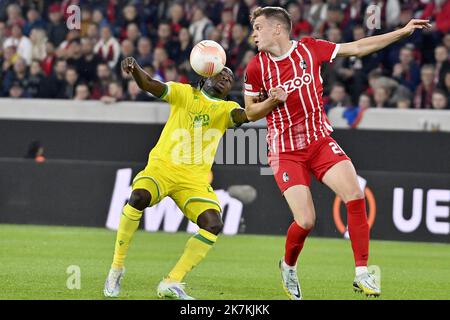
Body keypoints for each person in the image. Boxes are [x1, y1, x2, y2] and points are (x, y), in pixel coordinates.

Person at [243, 6, 430, 299]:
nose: (253, 34)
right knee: (306, 221)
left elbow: (357, 48)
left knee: (355, 194)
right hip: (285, 150)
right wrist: (271, 102)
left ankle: (362, 273)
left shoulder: (310, 49)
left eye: (258, 28)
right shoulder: (256, 67)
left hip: (318, 141)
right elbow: (250, 111)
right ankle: (288, 266)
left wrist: (402, 32)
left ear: (277, 29)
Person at [104, 57, 250, 300]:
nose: (226, 77)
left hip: (193, 180)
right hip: (162, 168)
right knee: (138, 197)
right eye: (221, 73)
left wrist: (273, 100)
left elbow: (249, 115)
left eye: (230, 78)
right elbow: (149, 84)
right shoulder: (184, 93)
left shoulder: (227, 110)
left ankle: (171, 282)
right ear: (205, 75)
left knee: (213, 224)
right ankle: (116, 268)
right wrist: (135, 68)